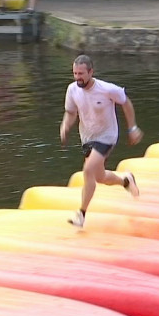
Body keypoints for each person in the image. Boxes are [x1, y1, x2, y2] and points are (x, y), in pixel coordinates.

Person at [60, 54, 144, 227]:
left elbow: (126, 102)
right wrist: (65, 126)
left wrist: (132, 127)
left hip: (107, 136)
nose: (77, 78)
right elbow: (70, 113)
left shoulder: (107, 89)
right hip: (87, 137)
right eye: (75, 73)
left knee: (88, 170)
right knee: (99, 177)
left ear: (91, 72)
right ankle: (126, 181)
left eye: (81, 74)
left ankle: (81, 214)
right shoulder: (72, 90)